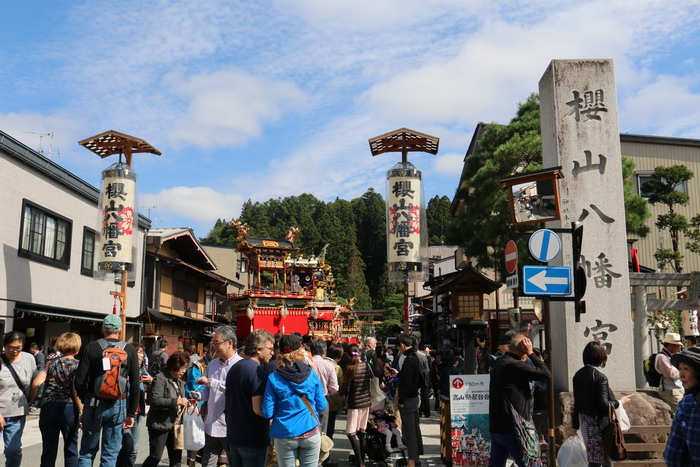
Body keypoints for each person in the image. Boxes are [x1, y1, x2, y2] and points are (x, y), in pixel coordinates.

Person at [74, 314, 140, 467]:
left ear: (102, 329)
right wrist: (131, 413)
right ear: (120, 329)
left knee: (87, 451)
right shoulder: (129, 350)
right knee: (110, 453)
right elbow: (135, 384)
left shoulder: (91, 347)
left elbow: (79, 380)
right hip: (119, 404)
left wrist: (86, 400)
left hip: (93, 403)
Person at [262, 334, 327, 467]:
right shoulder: (311, 373)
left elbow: (267, 412)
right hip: (310, 429)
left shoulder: (274, 377)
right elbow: (322, 405)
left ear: (280, 351)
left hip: (284, 432)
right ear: (300, 350)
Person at [488, 333, 550, 467]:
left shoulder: (499, 363)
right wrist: (532, 353)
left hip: (497, 427)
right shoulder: (515, 365)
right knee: (529, 464)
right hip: (514, 429)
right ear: (524, 351)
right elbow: (545, 374)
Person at [572, 341, 632, 467]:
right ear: (601, 357)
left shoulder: (577, 375)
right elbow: (603, 404)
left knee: (593, 460)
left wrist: (575, 425)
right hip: (600, 425)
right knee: (606, 458)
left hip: (585, 424)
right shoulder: (600, 377)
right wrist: (620, 402)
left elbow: (577, 403)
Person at [28, 332, 82, 467]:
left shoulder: (50, 363)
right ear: (77, 347)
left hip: (48, 407)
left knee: (48, 451)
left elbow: (36, 383)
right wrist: (82, 411)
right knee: (71, 450)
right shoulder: (78, 365)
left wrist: (31, 401)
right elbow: (75, 390)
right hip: (68, 408)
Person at [192, 325, 242, 467]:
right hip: (211, 423)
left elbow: (235, 390)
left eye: (217, 343)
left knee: (234, 462)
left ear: (230, 343)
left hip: (230, 426)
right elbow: (207, 391)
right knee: (207, 463)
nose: (214, 346)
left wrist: (212, 382)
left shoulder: (239, 365)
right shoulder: (213, 364)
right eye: (213, 343)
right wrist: (197, 395)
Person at [225, 329, 275, 467]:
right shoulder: (257, 371)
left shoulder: (235, 368)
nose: (272, 352)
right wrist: (273, 416)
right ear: (259, 349)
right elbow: (258, 408)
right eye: (270, 348)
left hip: (234, 435)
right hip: (253, 437)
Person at [141, 351, 189, 467]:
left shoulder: (178, 380)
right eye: (182, 367)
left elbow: (181, 397)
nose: (184, 371)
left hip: (176, 425)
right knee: (155, 457)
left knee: (176, 460)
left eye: (185, 368)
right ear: (174, 366)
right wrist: (176, 401)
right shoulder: (160, 378)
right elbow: (155, 401)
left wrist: (187, 401)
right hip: (160, 425)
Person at [0, 331, 37, 466]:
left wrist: (32, 399)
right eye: (10, 347)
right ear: (4, 346)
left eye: (18, 348)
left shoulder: (29, 359)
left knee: (13, 451)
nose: (14, 351)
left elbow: (34, 382)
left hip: (17, 413)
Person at [117, 342, 153, 467]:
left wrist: (151, 381)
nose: (142, 355)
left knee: (134, 449)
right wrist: (126, 381)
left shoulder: (143, 370)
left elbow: (154, 383)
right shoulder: (124, 369)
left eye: (143, 353)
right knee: (127, 445)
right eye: (139, 352)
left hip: (137, 414)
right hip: (124, 412)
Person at [664, 346, 700, 466]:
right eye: (680, 369)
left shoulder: (689, 404)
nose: (681, 374)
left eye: (686, 369)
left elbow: (673, 455)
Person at [341, 343, 372, 467]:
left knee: (351, 433)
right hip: (366, 402)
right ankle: (362, 460)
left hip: (354, 404)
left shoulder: (349, 368)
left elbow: (346, 390)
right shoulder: (366, 366)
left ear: (348, 355)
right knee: (362, 432)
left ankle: (360, 462)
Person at [397, 334, 425, 467]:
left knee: (409, 431)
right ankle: (417, 458)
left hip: (408, 398)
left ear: (402, 345)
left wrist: (401, 399)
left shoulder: (408, 359)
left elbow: (406, 382)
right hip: (415, 396)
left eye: (399, 347)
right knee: (415, 428)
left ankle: (411, 460)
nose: (399, 350)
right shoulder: (418, 356)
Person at [185, 342, 214, 467]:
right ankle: (191, 462)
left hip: (215, 407)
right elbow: (193, 387)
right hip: (201, 407)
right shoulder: (198, 366)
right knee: (197, 437)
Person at [311, 338, 339, 434]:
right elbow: (334, 388)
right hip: (323, 398)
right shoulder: (329, 366)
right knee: (322, 431)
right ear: (324, 351)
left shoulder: (306, 364)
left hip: (307, 400)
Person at [655, 332, 684, 412]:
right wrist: (683, 371)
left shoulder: (669, 356)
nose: (679, 348)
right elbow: (670, 374)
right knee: (681, 413)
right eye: (678, 346)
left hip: (675, 390)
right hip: (669, 391)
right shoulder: (662, 357)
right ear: (672, 345)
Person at [325, 344, 344, 440]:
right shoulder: (337, 368)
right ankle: (327, 448)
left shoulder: (318, 363)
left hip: (317, 399)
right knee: (330, 425)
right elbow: (340, 383)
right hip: (332, 400)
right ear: (339, 357)